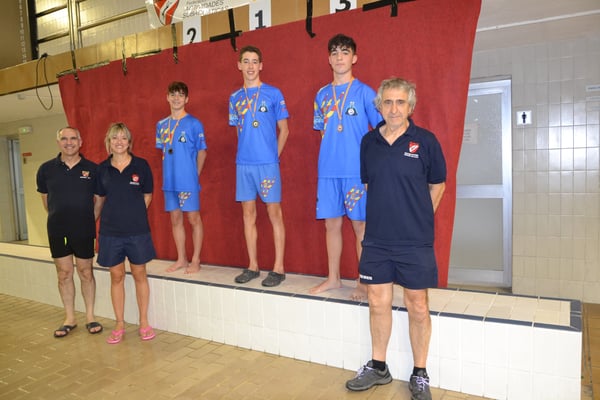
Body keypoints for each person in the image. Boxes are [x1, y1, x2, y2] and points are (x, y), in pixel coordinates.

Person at [345, 78, 446, 400]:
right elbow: (370, 185)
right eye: (387, 102)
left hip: (415, 241)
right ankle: (378, 367)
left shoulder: (426, 141)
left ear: (410, 106)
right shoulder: (368, 142)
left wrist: (420, 217)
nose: (394, 109)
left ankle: (420, 373)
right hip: (377, 240)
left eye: (400, 102)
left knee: (418, 305)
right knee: (377, 302)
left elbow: (438, 185)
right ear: (379, 106)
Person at [311, 33, 382, 300]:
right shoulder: (321, 95)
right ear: (329, 59)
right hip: (328, 171)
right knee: (331, 225)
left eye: (345, 52)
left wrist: (371, 168)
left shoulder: (365, 92)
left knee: (360, 226)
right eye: (335, 53)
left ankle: (363, 281)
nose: (339, 57)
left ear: (354, 58)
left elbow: (381, 130)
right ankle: (333, 278)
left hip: (356, 171)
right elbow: (322, 131)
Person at [228, 45, 289, 287]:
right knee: (248, 214)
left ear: (261, 65)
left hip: (267, 164)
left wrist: (273, 158)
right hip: (244, 164)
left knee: (274, 213)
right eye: (246, 61)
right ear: (239, 65)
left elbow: (285, 130)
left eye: (255, 61)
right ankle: (253, 265)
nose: (251, 66)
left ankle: (279, 268)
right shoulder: (235, 98)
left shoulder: (273, 93)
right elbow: (238, 131)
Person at [36, 127, 104, 338]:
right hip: (58, 230)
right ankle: (70, 318)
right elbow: (46, 201)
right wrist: (61, 217)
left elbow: (99, 200)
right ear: (58, 143)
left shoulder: (92, 169)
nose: (69, 142)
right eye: (64, 139)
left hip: (84, 229)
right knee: (64, 274)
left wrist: (88, 220)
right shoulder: (46, 169)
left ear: (80, 142)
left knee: (86, 272)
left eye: (73, 138)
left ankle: (90, 317)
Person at [96, 122, 156, 344]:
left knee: (140, 274)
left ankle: (143, 322)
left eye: (123, 138)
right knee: (116, 276)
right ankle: (119, 323)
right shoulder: (102, 169)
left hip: (137, 232)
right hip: (110, 232)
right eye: (114, 138)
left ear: (129, 142)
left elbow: (147, 196)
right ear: (108, 142)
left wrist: (134, 215)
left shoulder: (141, 165)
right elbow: (100, 199)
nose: (119, 142)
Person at [156, 81, 207, 274]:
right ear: (167, 97)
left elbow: (202, 152)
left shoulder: (194, 123)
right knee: (175, 219)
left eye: (180, 95)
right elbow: (164, 151)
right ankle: (181, 258)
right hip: (170, 182)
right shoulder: (161, 125)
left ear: (186, 99)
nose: (176, 98)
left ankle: (196, 259)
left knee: (193, 219)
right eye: (173, 94)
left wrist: (194, 175)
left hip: (188, 181)